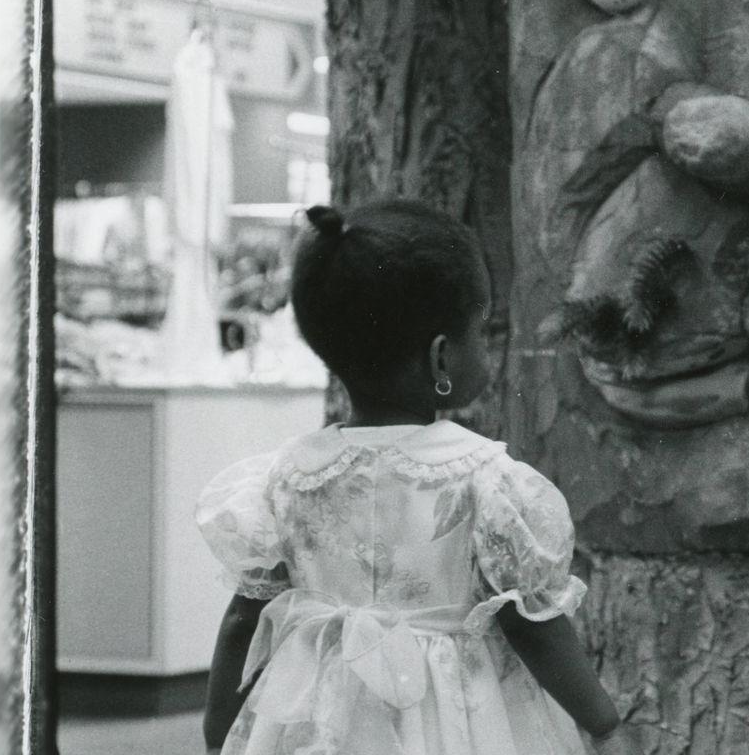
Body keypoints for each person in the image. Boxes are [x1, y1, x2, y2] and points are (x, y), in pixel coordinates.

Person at [197, 200, 621, 755]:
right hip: (459, 721)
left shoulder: (284, 478)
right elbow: (533, 626)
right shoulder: (487, 480)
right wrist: (604, 721)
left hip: (317, 721)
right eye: (481, 331)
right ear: (442, 357)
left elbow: (243, 619)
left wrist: (219, 734)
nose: (486, 345)